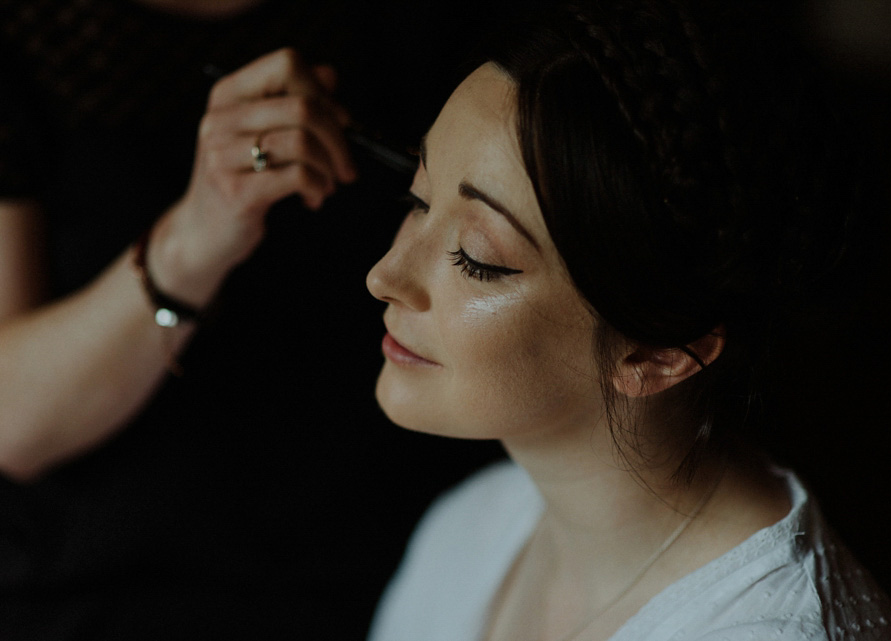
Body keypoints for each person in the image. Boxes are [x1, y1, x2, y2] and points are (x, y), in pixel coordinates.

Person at [364, 1, 891, 640]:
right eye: (418, 198)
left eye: (477, 258)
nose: (383, 275)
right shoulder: (473, 528)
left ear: (659, 353)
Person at [0, 0, 534, 637]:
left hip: (401, 555)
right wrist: (191, 243)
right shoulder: (23, 40)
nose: (382, 279)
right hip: (110, 587)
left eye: (473, 253)